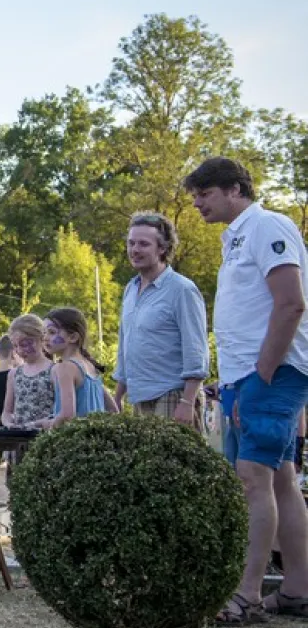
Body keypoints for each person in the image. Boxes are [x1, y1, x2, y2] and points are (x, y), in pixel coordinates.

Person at [182, 157, 308, 623]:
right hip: (246, 376)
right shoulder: (233, 238)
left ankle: (247, 594)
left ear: (235, 189)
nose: (196, 202)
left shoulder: (267, 226)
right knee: (279, 479)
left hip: (273, 373)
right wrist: (234, 375)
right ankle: (297, 590)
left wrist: (264, 369)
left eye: (205, 193)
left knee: (251, 479)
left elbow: (291, 302)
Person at [117, 211, 210, 429]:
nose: (135, 250)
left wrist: (188, 401)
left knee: (171, 462)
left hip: (173, 395)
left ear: (162, 248)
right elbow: (125, 345)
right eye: (131, 243)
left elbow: (196, 348)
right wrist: (118, 396)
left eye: (143, 244)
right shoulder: (130, 289)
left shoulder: (182, 290)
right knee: (146, 462)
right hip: (139, 396)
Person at [44, 307, 114, 427]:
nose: (45, 337)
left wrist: (46, 426)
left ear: (73, 337)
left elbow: (67, 416)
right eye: (44, 332)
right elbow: (113, 410)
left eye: (51, 332)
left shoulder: (65, 368)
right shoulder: (91, 366)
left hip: (74, 441)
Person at [2, 315, 58, 429]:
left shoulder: (55, 370)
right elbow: (7, 412)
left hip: (45, 439)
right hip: (19, 440)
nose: (19, 351)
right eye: (15, 346)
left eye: (24, 344)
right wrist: (9, 424)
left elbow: (60, 412)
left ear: (40, 339)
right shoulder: (14, 374)